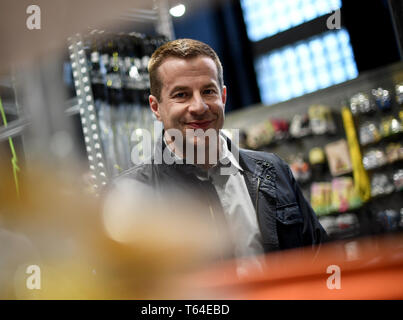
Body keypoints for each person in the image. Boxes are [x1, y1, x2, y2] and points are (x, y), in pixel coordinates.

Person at [112, 38, 328, 266]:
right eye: (181, 95)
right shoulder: (131, 197)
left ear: (223, 97)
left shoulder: (273, 171)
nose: (199, 107)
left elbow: (319, 258)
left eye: (208, 91)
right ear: (156, 107)